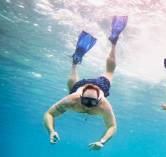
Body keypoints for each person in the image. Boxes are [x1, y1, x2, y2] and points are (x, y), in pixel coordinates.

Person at [43, 16, 128, 150]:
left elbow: (113, 127)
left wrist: (102, 141)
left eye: (92, 103)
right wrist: (51, 131)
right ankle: (113, 43)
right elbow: (48, 114)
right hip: (84, 88)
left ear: (100, 100)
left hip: (97, 86)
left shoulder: (104, 105)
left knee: (74, 86)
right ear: (80, 98)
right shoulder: (73, 99)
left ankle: (76, 62)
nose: (88, 107)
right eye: (86, 102)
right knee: (108, 73)